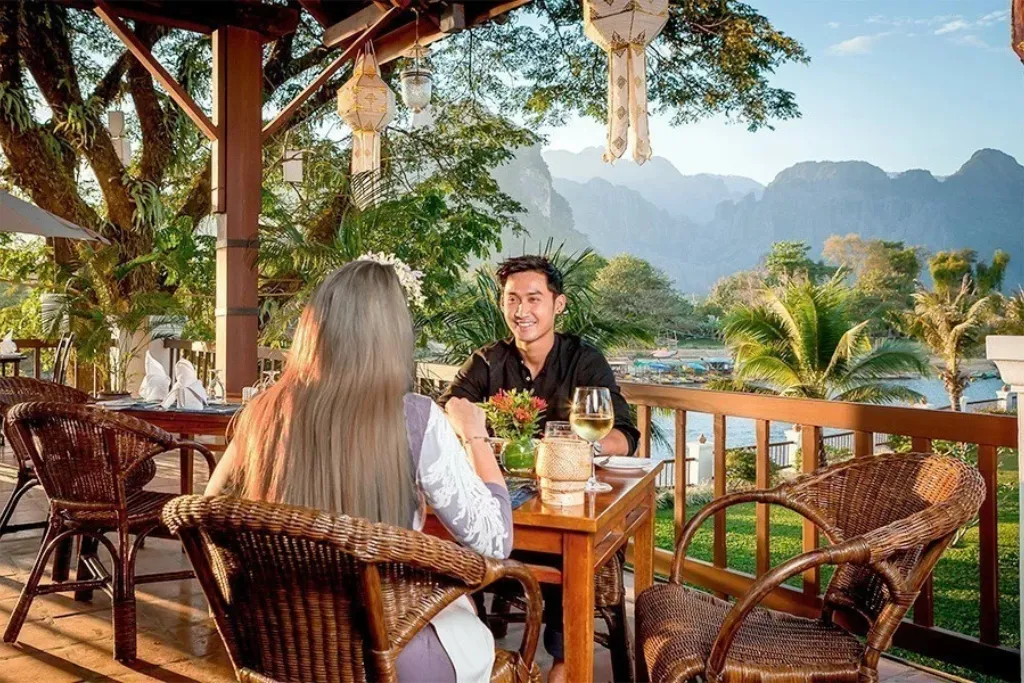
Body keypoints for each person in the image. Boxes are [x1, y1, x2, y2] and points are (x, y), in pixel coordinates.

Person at [206, 259, 512, 683]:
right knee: (464, 613)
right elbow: (494, 541)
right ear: (393, 335)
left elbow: (205, 513)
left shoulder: (261, 411)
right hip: (387, 657)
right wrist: (476, 434)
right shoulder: (415, 419)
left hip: (281, 650)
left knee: (458, 608)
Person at [440, 255, 640, 683]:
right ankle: (478, 656)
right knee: (446, 545)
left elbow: (624, 433)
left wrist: (569, 451)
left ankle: (562, 667)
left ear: (558, 304)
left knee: (571, 565)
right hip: (501, 514)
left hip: (565, 515)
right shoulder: (489, 361)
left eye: (534, 298)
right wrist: (466, 426)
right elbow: (450, 407)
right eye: (512, 299)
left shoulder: (583, 361)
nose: (522, 310)